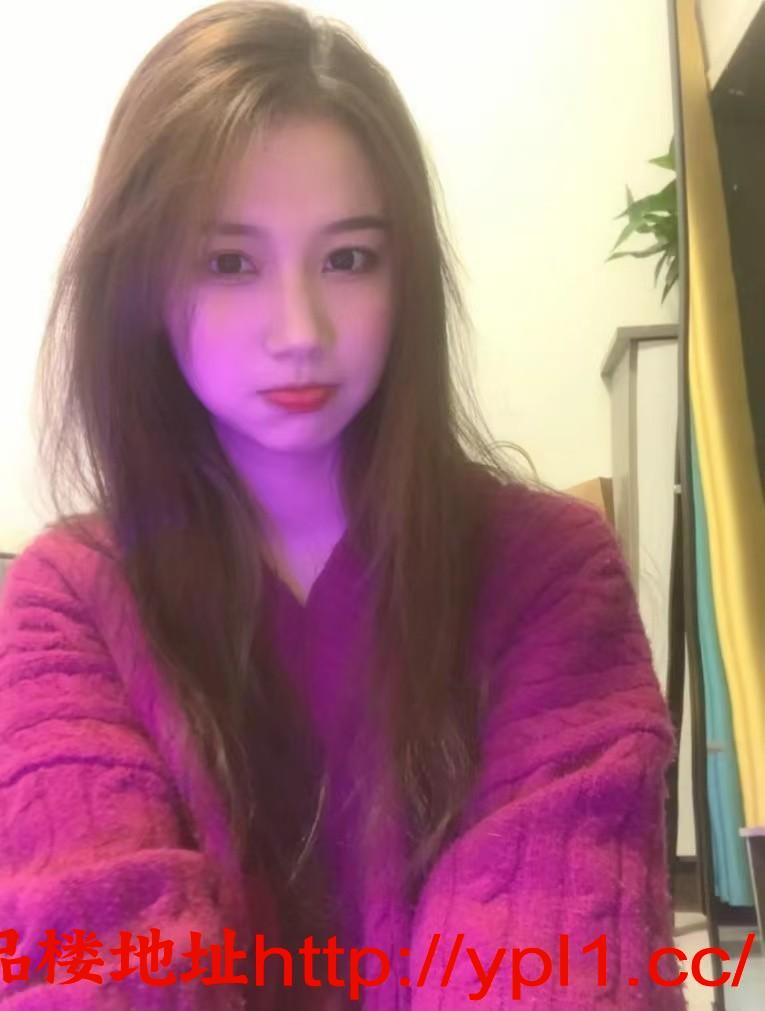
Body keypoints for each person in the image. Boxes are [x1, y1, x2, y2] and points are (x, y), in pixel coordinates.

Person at [0, 2, 686, 1009]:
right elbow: (95, 959)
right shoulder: (66, 601)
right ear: (138, 282)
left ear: (406, 278)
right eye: (229, 262)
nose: (299, 329)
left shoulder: (548, 568)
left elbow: (563, 959)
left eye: (348, 258)